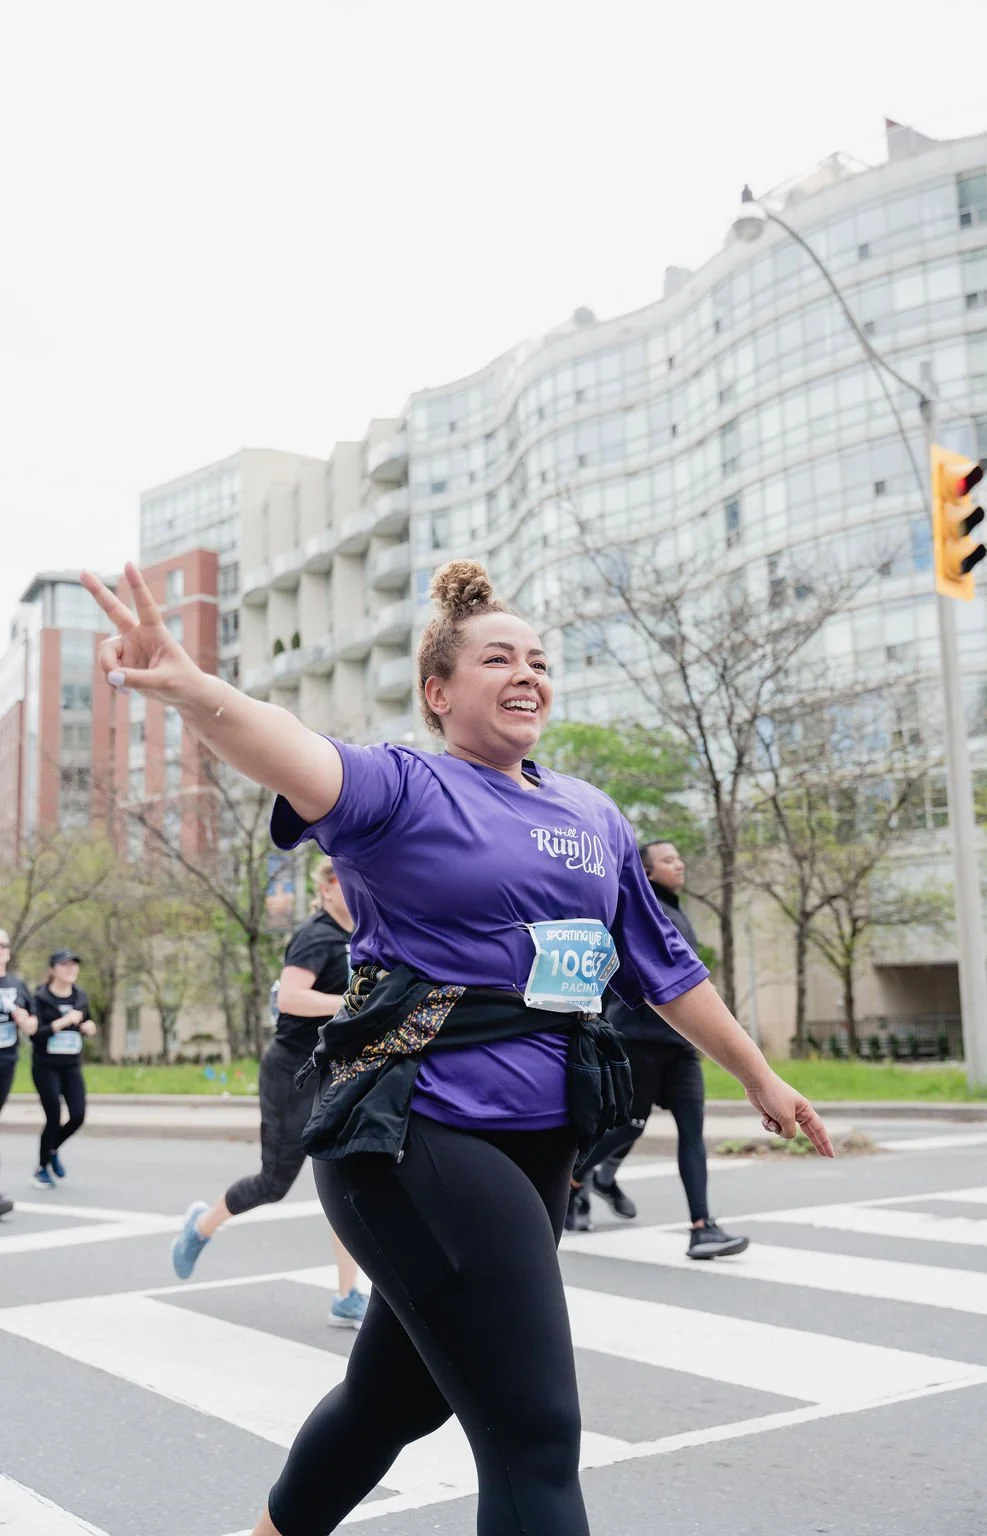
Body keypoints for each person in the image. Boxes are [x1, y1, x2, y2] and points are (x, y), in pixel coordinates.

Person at [82, 557, 833, 1536]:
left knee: (396, 1400)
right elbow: (288, 750)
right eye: (496, 659)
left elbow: (667, 971)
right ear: (438, 691)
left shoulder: (594, 816)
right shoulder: (405, 788)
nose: (527, 674)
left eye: (539, 660)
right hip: (413, 1137)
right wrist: (193, 690)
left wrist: (762, 1079)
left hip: (540, 1143)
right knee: (534, 1434)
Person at [171, 857, 370, 1329]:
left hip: (335, 1074)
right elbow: (292, 998)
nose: (358, 887)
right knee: (274, 1183)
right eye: (348, 879)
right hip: (291, 1073)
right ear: (326, 887)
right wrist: (350, 1005)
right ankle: (202, 1225)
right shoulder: (315, 935)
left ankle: (347, 1295)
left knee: (347, 1181)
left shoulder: (365, 933)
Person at [570, 840, 750, 1259]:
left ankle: (702, 1228)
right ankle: (571, 1182)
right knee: (628, 1126)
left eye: (679, 856)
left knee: (692, 1133)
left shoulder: (678, 912)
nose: (680, 863)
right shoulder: (642, 912)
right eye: (669, 860)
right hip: (639, 1040)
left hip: (680, 1047)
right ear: (647, 872)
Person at [30, 949, 97, 1188]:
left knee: (78, 1115)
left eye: (74, 965)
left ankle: (53, 1148)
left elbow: (86, 1021)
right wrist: (61, 1023)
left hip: (71, 1065)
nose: (70, 969)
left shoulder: (80, 996)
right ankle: (41, 1167)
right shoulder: (40, 998)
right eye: (64, 965)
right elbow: (35, 1035)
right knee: (54, 1116)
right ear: (52, 970)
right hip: (46, 1065)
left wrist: (88, 1027)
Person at [0, 927, 38, 1216]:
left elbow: (32, 1026)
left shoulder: (17, 985)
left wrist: (24, 1020)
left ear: (8, 952)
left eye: (2, 945)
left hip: (6, 1059)